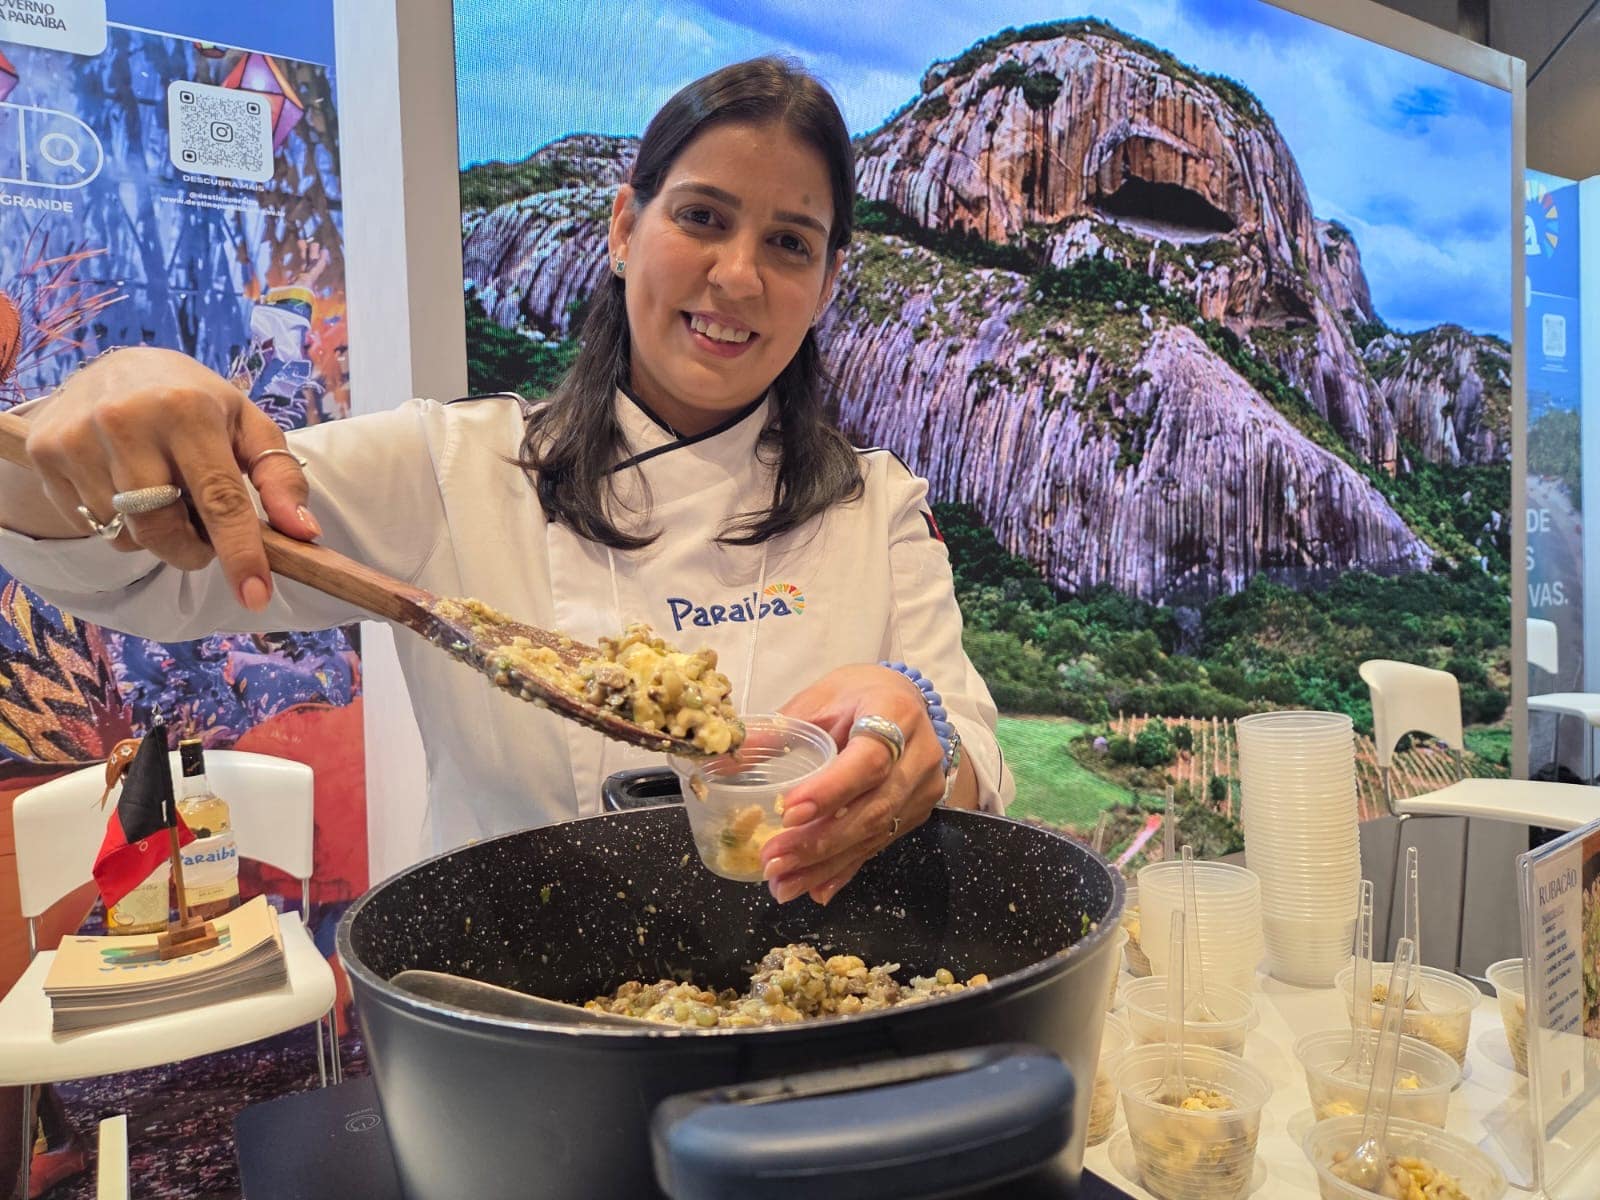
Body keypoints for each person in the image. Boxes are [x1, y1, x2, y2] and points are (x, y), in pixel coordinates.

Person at [0, 57, 1012, 911]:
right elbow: (136, 575)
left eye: (790, 243)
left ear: (828, 283)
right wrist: (99, 410)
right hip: (519, 1011)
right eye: (703, 217)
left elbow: (975, 763)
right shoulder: (448, 467)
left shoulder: (877, 504)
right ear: (623, 229)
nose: (738, 277)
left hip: (813, 1005)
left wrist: (912, 725)